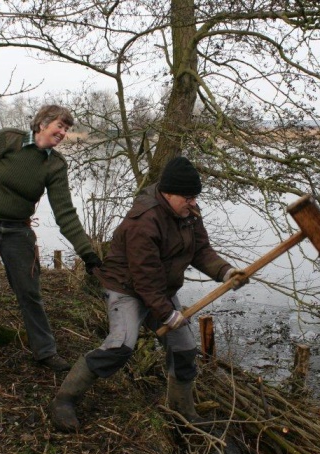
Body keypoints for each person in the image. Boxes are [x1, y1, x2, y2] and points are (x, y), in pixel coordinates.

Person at [49, 156, 249, 432]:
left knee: (184, 350)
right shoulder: (143, 222)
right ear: (168, 193)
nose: (193, 203)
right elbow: (143, 279)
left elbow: (201, 250)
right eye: (188, 197)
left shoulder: (187, 213)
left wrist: (226, 272)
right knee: (120, 348)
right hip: (126, 289)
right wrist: (167, 314)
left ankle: (182, 411)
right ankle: (64, 400)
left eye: (195, 197)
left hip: (160, 288)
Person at [0, 104, 102, 379]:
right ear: (42, 124)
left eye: (66, 129)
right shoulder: (8, 140)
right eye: (59, 126)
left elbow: (65, 214)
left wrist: (87, 253)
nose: (63, 133)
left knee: (30, 294)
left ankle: (45, 352)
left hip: (18, 231)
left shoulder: (55, 165)